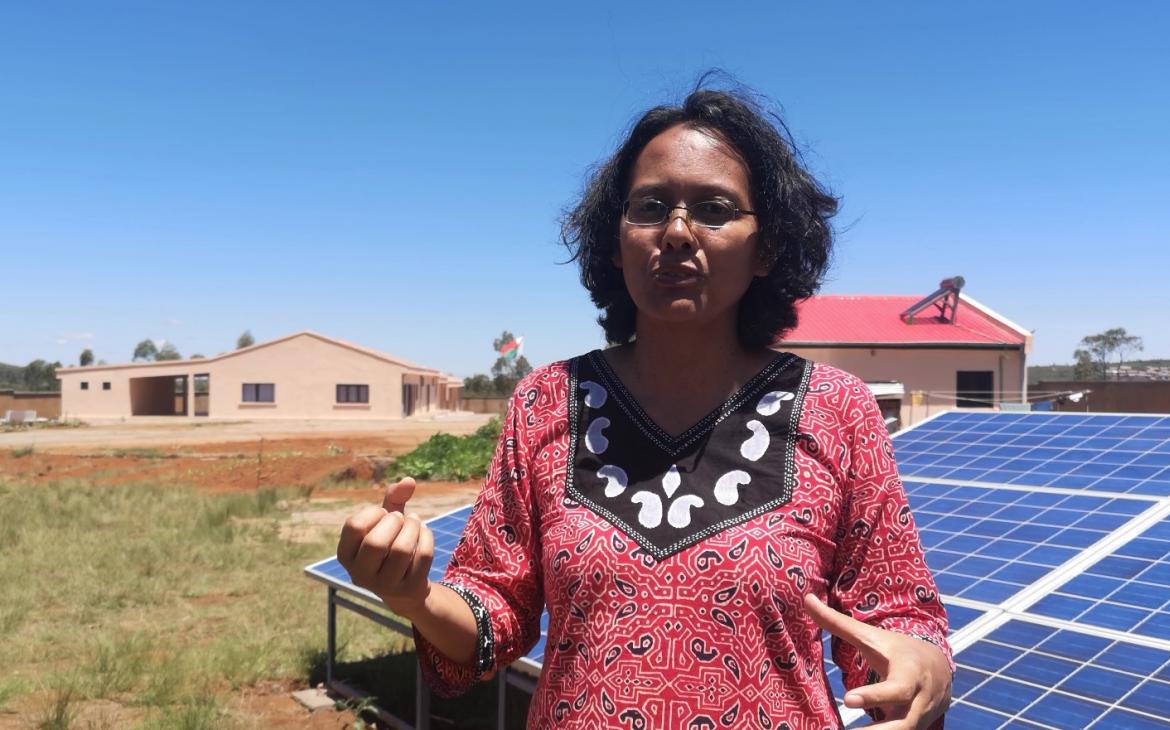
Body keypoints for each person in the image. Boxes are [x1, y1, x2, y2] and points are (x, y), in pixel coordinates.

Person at [338, 84, 953, 729]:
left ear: (766, 247)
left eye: (714, 209)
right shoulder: (545, 403)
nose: (678, 233)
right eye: (651, 207)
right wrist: (413, 596)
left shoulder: (838, 409)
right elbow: (496, 609)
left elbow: (896, 621)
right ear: (614, 241)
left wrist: (927, 671)